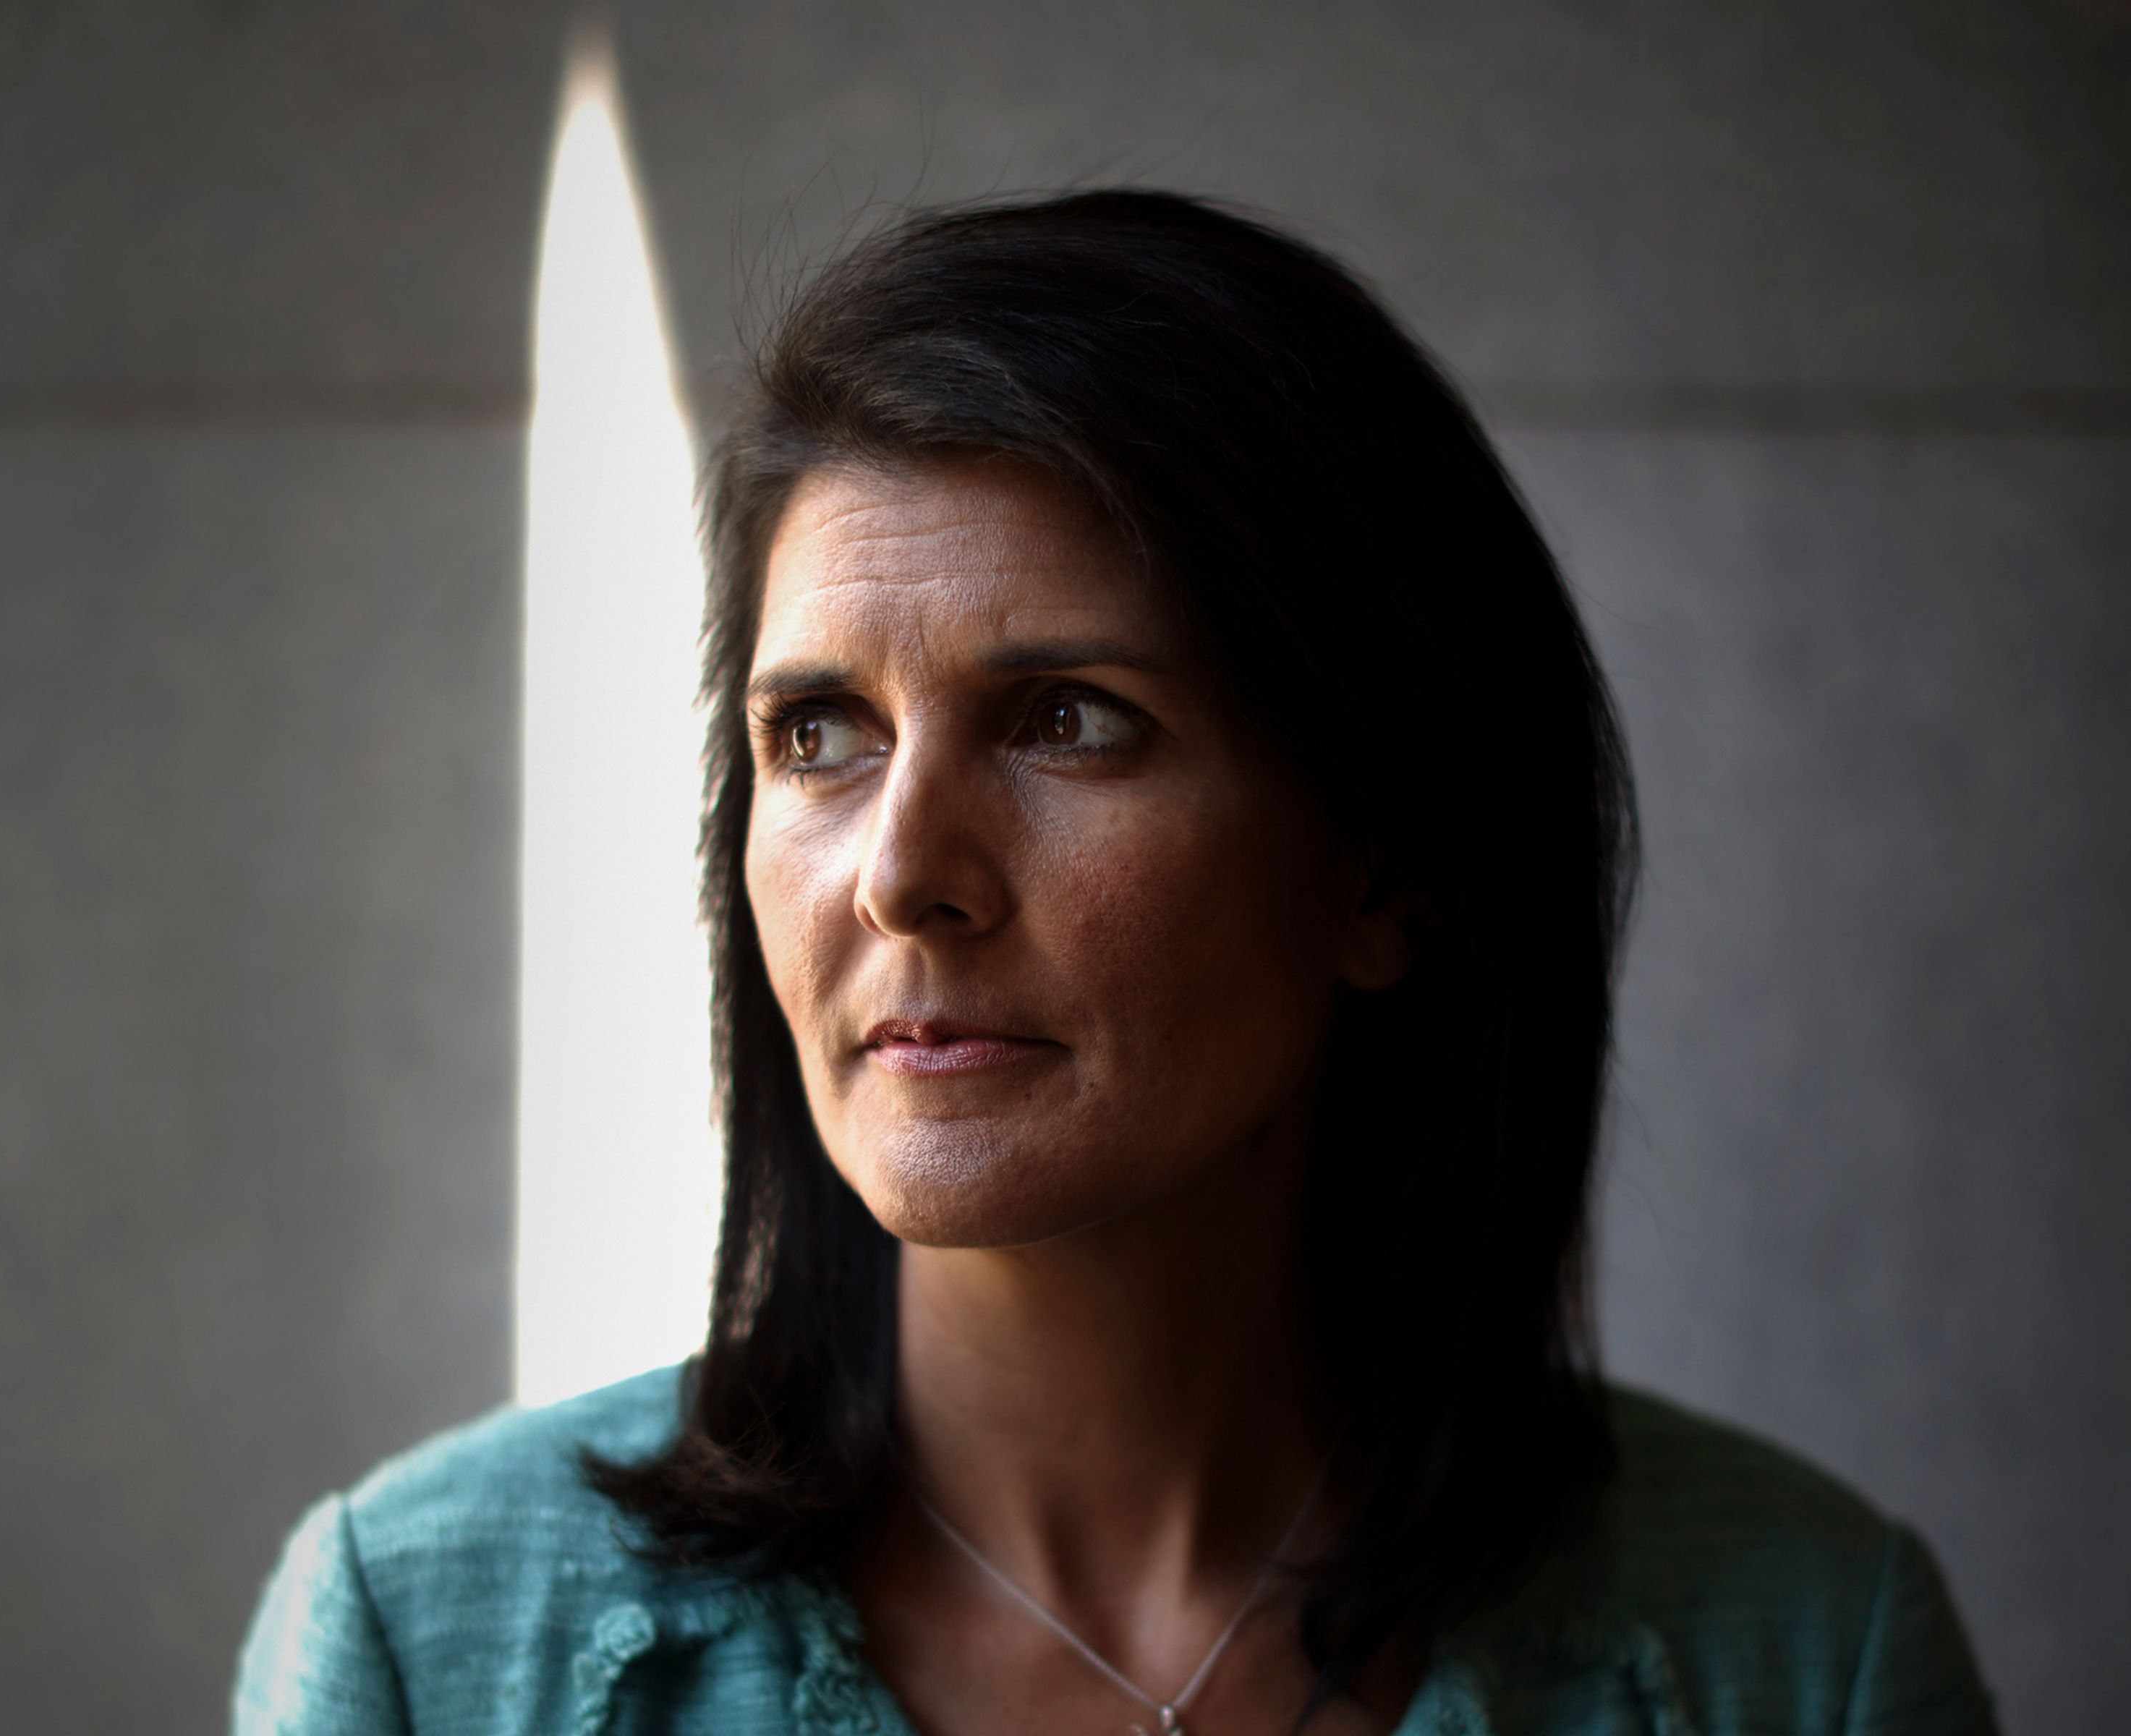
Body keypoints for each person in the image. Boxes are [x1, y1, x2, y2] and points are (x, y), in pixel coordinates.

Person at [234, 190, 1996, 1736]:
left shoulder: (1801, 1653)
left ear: (1381, 862)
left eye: (1069, 721)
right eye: (822, 736)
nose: (903, 876)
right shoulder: (427, 1642)